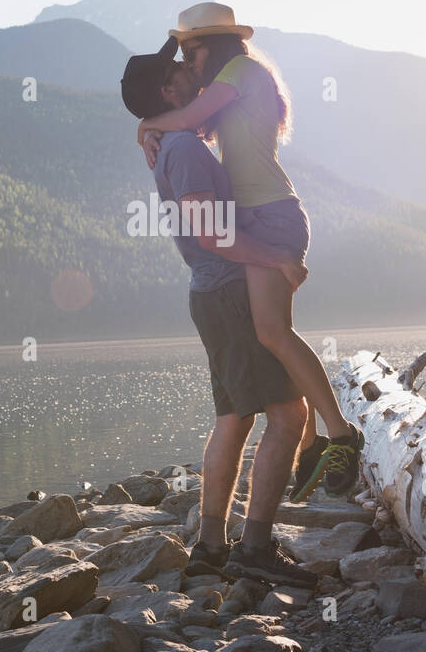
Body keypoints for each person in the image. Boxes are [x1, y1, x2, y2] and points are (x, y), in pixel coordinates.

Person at [136, 3, 363, 498]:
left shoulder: (241, 69)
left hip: (272, 216)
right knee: (274, 337)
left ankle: (341, 436)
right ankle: (309, 441)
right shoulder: (230, 87)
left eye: (191, 51)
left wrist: (144, 126)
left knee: (274, 333)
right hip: (261, 217)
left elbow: (189, 117)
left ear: (215, 45)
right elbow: (192, 125)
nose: (188, 61)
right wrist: (152, 125)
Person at [121, 38, 315, 587]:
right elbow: (212, 235)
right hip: (229, 292)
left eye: (186, 58)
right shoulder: (181, 150)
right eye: (176, 68)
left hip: (211, 295)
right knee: (289, 416)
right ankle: (253, 550)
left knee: (233, 419)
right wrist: (276, 255)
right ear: (167, 89)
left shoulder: (173, 140)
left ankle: (210, 546)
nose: (186, 69)